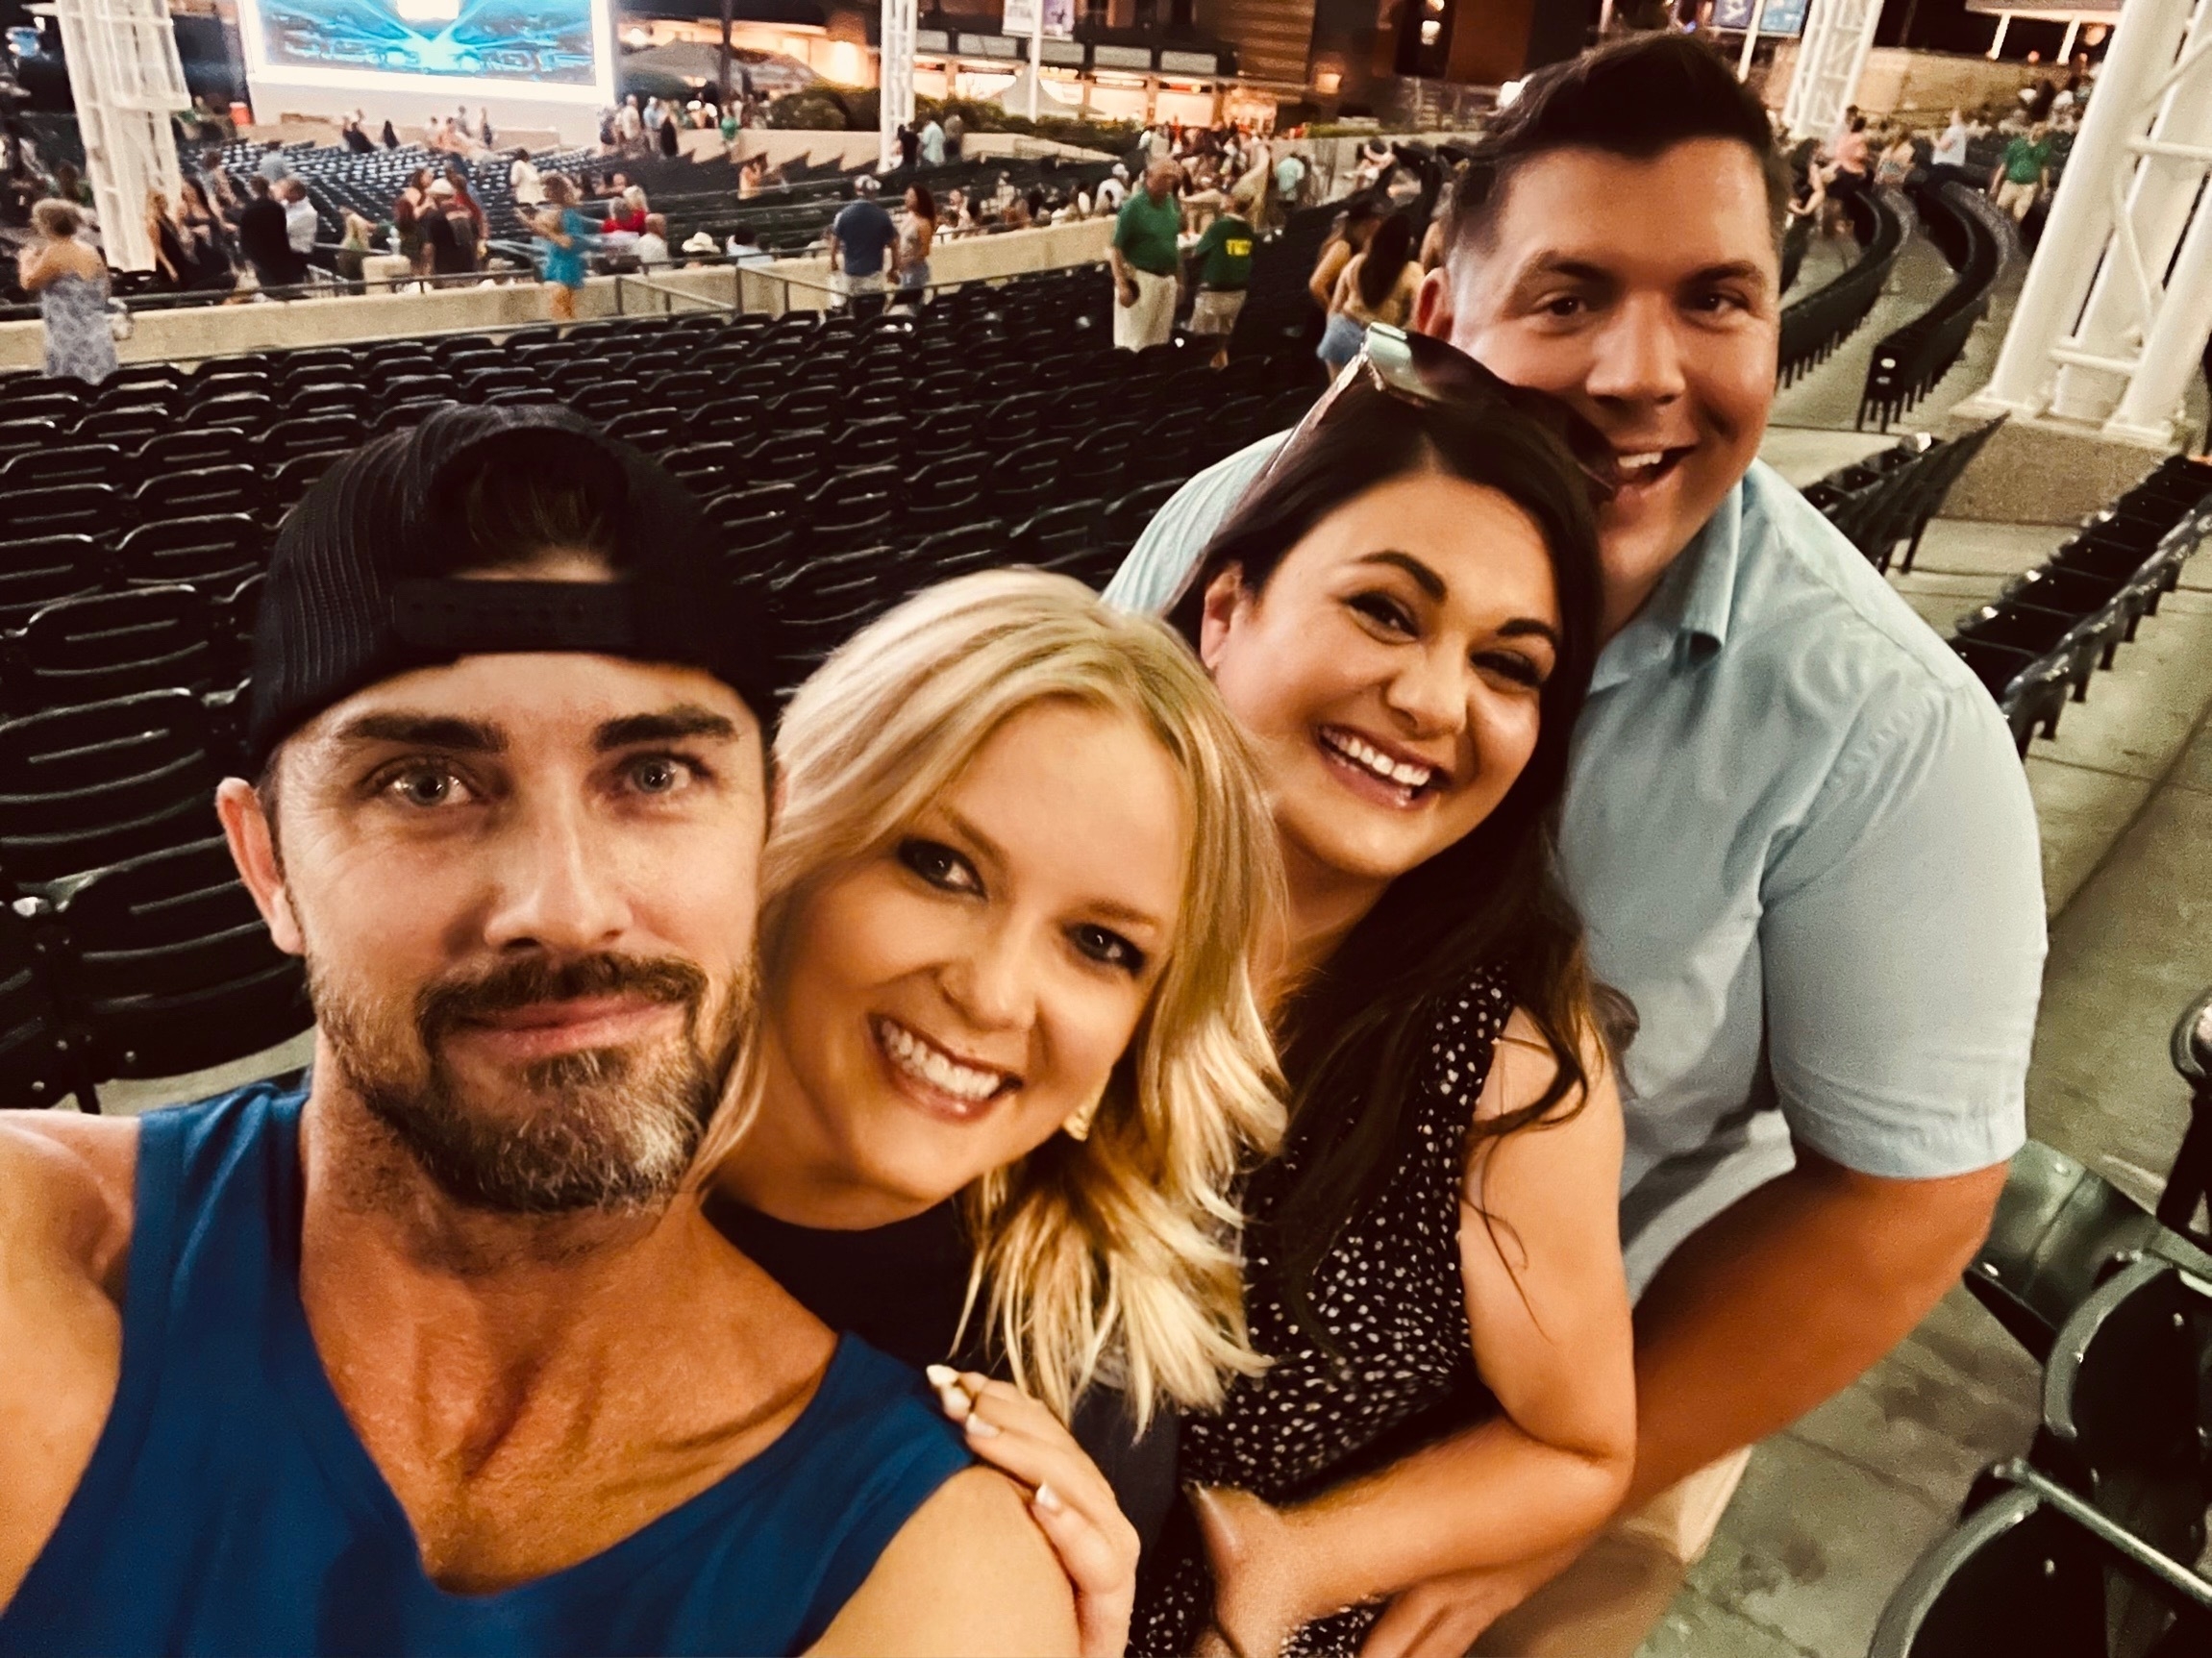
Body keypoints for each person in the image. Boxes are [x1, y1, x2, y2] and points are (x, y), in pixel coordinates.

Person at [1106, 34, 2043, 1654]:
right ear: (1439, 312)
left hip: (1548, 1384)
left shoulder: (1882, 734)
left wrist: (1529, 1509)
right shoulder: (1246, 520)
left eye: (1716, 300)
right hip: (1121, 1289)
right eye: (1569, 297)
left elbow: (1909, 1198)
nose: (1639, 373)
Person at [0, 405, 1081, 1657]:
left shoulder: (934, 1563)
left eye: (656, 774)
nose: (564, 905)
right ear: (267, 865)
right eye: (424, 784)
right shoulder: (37, 1264)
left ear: (764, 830)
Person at [1126, 333, 1633, 1658]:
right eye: (1387, 612)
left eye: (1509, 667)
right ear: (1225, 612)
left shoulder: (1506, 1061)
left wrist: (1299, 1560)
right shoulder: (1030, 891)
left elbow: (1579, 1443)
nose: (1432, 700)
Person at [703, 568, 1287, 1655]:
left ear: (1136, 1040)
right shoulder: (530, 1139)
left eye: (1100, 945)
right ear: (789, 830)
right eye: (942, 867)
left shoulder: (1072, 1404)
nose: (994, 994)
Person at [16, 199, 115, 384]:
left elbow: (29, 283)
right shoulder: (89, 250)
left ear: (45, 224)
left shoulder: (55, 251)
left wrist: (26, 261)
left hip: (68, 336)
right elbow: (105, 288)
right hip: (97, 332)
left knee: (70, 387)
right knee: (102, 385)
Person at [1317, 211, 1417, 370]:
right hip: (1377, 344)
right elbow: (1417, 316)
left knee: (1339, 386)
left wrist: (1332, 330)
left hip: (1342, 331)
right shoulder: (1412, 271)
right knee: (1367, 388)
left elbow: (1335, 306)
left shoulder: (1357, 262)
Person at [1111, 161, 1182, 353]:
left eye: (1171, 178)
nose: (1169, 182)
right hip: (1143, 279)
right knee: (1136, 343)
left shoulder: (1171, 204)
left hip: (1166, 281)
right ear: (1149, 177)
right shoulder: (1133, 208)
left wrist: (1180, 279)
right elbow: (1116, 249)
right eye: (1164, 177)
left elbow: (1173, 243)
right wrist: (1122, 284)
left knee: (1159, 341)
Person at [1184, 200, 1254, 361]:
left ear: (1231, 202)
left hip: (1214, 292)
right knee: (1223, 341)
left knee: (1200, 342)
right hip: (1238, 292)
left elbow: (1197, 253)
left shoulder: (1219, 227)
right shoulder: (1248, 229)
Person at [828, 175, 897, 321]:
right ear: (873, 193)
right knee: (875, 311)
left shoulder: (843, 215)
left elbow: (834, 242)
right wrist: (893, 268)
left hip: (852, 273)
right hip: (874, 273)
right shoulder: (882, 216)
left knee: (854, 312)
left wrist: (833, 262)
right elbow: (894, 245)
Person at [1308, 196, 1380, 315]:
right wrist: (1332, 313)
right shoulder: (1343, 247)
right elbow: (1316, 284)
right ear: (1363, 225)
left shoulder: (1360, 250)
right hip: (1326, 317)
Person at [534, 173, 590, 322]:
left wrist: (546, 231)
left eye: (549, 188)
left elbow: (569, 243)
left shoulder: (569, 214)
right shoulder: (556, 212)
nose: (546, 192)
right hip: (556, 263)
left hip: (565, 266)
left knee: (561, 312)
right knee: (562, 310)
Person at [236, 173, 303, 289]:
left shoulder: (249, 210)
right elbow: (282, 232)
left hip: (258, 254)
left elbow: (245, 237)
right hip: (277, 252)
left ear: (253, 189)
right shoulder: (277, 207)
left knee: (268, 287)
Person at [1993, 120, 2053, 222]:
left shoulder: (2044, 148)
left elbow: (2044, 169)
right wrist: (1995, 184)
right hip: (2011, 184)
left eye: (2041, 130)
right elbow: (2004, 165)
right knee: (1999, 212)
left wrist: (2045, 188)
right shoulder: (2017, 144)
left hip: (2028, 187)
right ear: (2031, 129)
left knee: (2018, 216)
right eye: (2036, 128)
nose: (2037, 131)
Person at [144, 187, 190, 291]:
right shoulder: (153, 222)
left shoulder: (165, 218)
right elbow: (157, 247)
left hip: (176, 256)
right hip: (166, 259)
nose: (164, 204)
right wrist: (169, 267)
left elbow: (174, 234)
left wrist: (179, 219)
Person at [896, 183, 935, 299]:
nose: (906, 198)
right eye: (906, 195)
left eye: (911, 196)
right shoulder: (907, 218)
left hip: (916, 270)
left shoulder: (923, 223)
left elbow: (925, 251)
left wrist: (908, 260)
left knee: (916, 300)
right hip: (905, 269)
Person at [1928, 109, 1972, 188]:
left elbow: (1943, 147)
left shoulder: (1955, 130)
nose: (1950, 116)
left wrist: (1933, 138)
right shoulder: (1959, 129)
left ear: (1960, 118)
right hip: (1948, 166)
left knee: (1929, 188)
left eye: (1953, 115)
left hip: (1946, 166)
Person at [282, 178, 318, 265]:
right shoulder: (284, 205)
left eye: (284, 189)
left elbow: (285, 229)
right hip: (284, 252)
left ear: (295, 193)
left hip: (298, 254)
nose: (282, 192)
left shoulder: (308, 212)